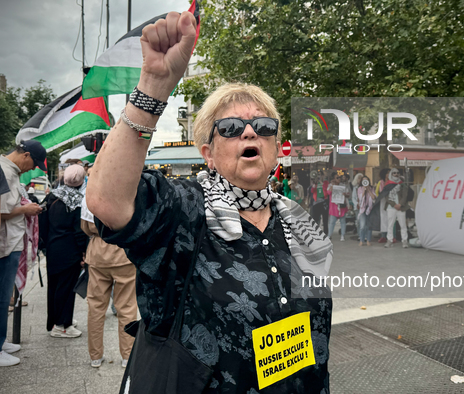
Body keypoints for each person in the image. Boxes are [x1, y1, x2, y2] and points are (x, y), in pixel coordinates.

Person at [86, 11, 332, 392]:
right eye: (231, 128)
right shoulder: (185, 208)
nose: (250, 131)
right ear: (209, 153)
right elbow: (107, 200)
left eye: (264, 126)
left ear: (276, 149)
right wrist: (153, 86)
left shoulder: (298, 222)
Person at [81, 170, 138, 367]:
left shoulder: (89, 193)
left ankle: (95, 356)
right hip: (123, 254)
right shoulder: (128, 191)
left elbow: (85, 227)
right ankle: (127, 355)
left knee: (96, 307)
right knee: (127, 307)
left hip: (97, 254)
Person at [0, 141, 46, 366]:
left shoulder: (9, 171)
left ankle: (1, 341)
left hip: (10, 242)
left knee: (4, 295)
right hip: (5, 244)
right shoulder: (5, 172)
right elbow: (2, 210)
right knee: (1, 297)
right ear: (25, 154)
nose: (33, 169)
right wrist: (27, 209)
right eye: (33, 163)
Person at [41, 164, 88, 338]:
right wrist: (83, 252)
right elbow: (79, 231)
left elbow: (43, 224)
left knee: (54, 286)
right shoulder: (77, 200)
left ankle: (54, 321)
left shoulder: (52, 197)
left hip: (53, 248)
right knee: (67, 288)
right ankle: (62, 325)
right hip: (70, 251)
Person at [384, 168, 410, 248]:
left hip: (401, 208)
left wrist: (400, 204)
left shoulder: (402, 184)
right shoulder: (388, 185)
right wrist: (394, 205)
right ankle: (389, 240)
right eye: (394, 173)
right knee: (390, 225)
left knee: (403, 225)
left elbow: (405, 195)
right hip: (391, 207)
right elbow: (386, 197)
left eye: (397, 173)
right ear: (391, 174)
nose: (396, 174)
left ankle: (404, 240)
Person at [327, 174, 350, 241]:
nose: (339, 179)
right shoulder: (330, 185)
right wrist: (332, 185)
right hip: (334, 206)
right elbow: (328, 192)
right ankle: (329, 235)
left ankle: (342, 235)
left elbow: (348, 194)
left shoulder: (343, 186)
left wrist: (345, 194)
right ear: (334, 179)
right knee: (332, 222)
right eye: (337, 178)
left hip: (341, 205)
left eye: (339, 178)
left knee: (343, 221)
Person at [357, 176, 376, 246]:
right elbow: (360, 198)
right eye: (364, 180)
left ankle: (368, 240)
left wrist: (368, 190)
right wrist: (364, 190)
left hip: (370, 209)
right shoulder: (360, 189)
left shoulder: (372, 188)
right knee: (362, 226)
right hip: (362, 209)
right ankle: (361, 240)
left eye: (366, 180)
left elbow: (374, 197)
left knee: (369, 226)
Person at [375, 168, 390, 243]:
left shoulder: (393, 182)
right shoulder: (380, 182)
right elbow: (380, 191)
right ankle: (383, 235)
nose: (388, 174)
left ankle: (391, 236)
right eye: (387, 173)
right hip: (383, 201)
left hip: (390, 202)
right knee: (383, 218)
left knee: (390, 218)